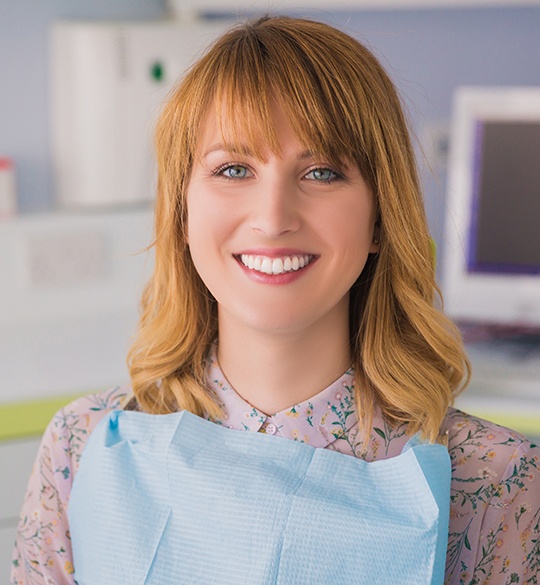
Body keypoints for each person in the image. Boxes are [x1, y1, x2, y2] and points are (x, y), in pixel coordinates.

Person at [11, 15, 539, 585]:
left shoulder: (494, 480)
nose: (272, 217)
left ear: (381, 217)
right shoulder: (81, 446)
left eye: (321, 172)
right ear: (182, 213)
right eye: (233, 169)